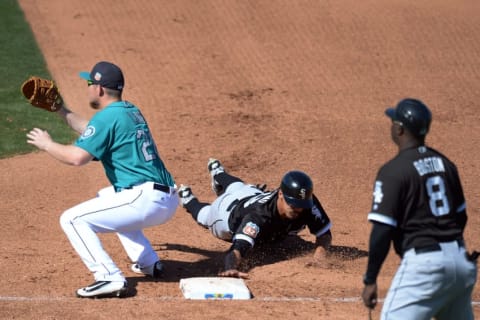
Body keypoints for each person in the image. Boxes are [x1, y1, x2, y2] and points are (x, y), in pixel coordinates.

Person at [26, 61, 178, 298]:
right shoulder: (129, 111)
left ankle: (108, 277)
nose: (87, 87)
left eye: (89, 83)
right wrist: (60, 109)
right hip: (164, 197)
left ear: (99, 89)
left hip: (146, 200)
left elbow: (77, 157)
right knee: (107, 198)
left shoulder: (107, 119)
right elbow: (91, 130)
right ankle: (149, 263)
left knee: (72, 219)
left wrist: (47, 144)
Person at [361, 98, 477, 319]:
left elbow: (382, 231)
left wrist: (370, 279)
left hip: (425, 266)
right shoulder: (446, 164)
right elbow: (461, 217)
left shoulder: (393, 171)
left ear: (400, 129)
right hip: (461, 264)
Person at [178, 158, 332, 278]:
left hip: (251, 194)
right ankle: (188, 199)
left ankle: (218, 173)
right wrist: (230, 267)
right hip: (224, 214)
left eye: (302, 205)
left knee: (238, 186)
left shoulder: (307, 202)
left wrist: (320, 256)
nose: (299, 209)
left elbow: (324, 234)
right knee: (205, 215)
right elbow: (237, 250)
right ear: (280, 194)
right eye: (293, 204)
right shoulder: (258, 218)